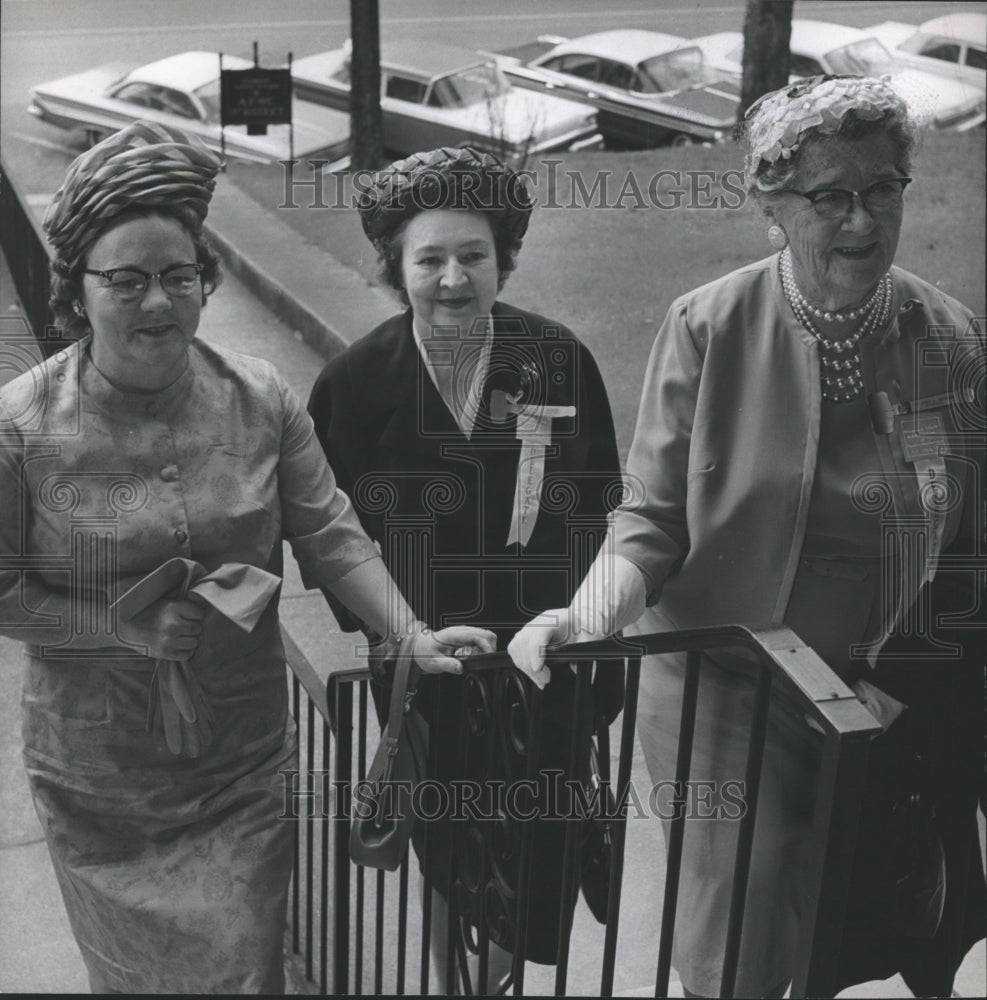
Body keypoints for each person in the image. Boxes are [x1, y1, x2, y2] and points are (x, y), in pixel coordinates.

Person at [509, 76, 985, 998]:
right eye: (828, 196)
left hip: (867, 689)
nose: (860, 220)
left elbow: (965, 528)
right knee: (742, 912)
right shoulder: (708, 325)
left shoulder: (949, 337)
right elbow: (649, 519)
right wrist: (582, 617)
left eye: (882, 188)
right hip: (721, 681)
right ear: (770, 201)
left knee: (837, 916)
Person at [0, 121, 495, 994]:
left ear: (205, 280)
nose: (157, 302)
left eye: (178, 276)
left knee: (242, 970)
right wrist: (118, 626)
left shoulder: (261, 396)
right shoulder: (20, 427)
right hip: (99, 780)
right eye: (125, 280)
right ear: (76, 291)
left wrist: (408, 636)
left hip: (240, 766)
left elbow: (334, 533)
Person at [307, 146, 623, 990]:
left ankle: (498, 982)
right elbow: (331, 535)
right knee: (448, 845)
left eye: (473, 256)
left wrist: (581, 629)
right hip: (426, 663)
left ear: (503, 259)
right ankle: (451, 980)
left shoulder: (557, 361)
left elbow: (598, 513)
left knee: (538, 856)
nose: (453, 279)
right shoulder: (353, 383)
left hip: (543, 659)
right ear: (394, 267)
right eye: (429, 259)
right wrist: (397, 636)